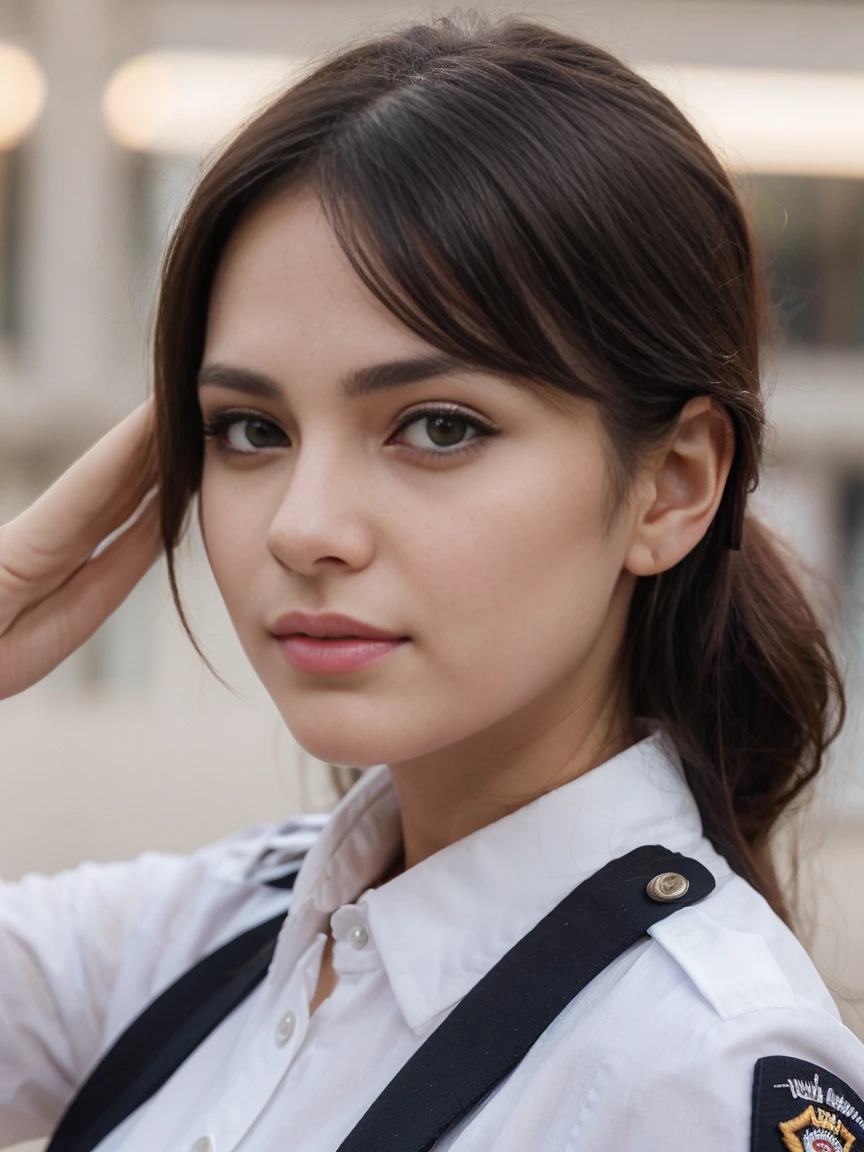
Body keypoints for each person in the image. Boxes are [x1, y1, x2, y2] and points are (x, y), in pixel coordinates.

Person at [1, 11, 863, 1152]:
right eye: (251, 428)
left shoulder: (692, 1075)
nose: (306, 529)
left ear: (670, 487)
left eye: (439, 427)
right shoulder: (215, 935)